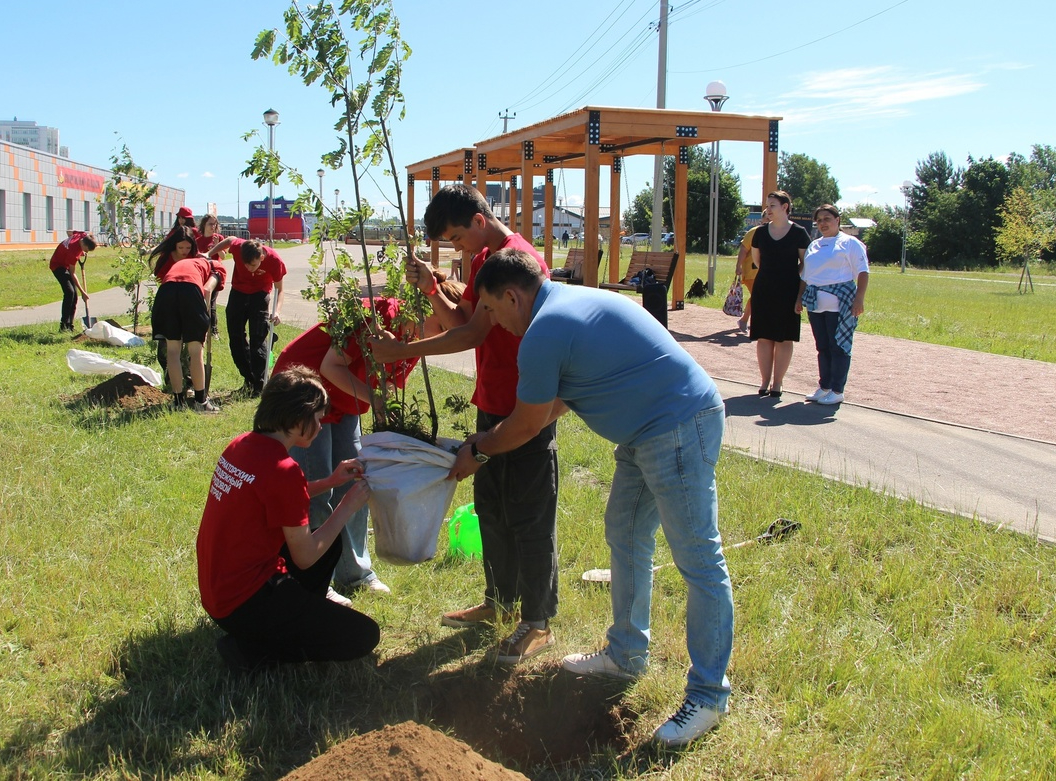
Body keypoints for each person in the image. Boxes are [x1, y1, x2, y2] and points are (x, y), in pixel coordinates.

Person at [449, 247, 732, 747]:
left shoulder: (544, 330)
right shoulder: (567, 303)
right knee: (623, 535)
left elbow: (527, 422)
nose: (491, 322)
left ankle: (708, 695)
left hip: (678, 427)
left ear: (512, 296)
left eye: (491, 310)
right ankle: (626, 655)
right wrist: (491, 442)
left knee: (699, 560)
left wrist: (478, 449)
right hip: (647, 431)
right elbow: (558, 400)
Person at [370, 184, 558, 667]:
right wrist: (432, 290)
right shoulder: (481, 262)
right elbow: (465, 317)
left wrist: (402, 351)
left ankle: (538, 623)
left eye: (457, 237)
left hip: (528, 403)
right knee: (491, 505)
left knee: (530, 513)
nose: (457, 248)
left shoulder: (518, 259)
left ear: (479, 220)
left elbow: (471, 333)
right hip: (493, 399)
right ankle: (498, 602)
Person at [275, 278, 466, 602]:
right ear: (422, 306)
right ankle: (318, 582)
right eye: (441, 326)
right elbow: (330, 366)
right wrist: (374, 400)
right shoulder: (373, 318)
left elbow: (387, 385)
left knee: (357, 483)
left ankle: (356, 573)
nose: (442, 337)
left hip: (343, 401)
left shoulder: (414, 339)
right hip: (304, 397)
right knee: (318, 489)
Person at [196, 366, 379, 669]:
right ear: (298, 420)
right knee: (364, 635)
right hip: (244, 602)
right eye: (318, 419)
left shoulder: (241, 445)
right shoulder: (285, 470)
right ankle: (254, 649)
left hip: (220, 593)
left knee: (328, 541)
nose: (321, 428)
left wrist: (331, 481)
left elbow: (278, 494)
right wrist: (348, 504)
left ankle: (289, 622)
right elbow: (306, 557)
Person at [797, 204, 870, 405]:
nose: (823, 223)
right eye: (819, 220)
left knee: (838, 346)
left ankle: (838, 390)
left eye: (827, 219)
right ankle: (825, 386)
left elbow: (863, 272)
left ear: (837, 220)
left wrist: (859, 299)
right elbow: (806, 275)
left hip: (840, 304)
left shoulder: (850, 243)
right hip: (816, 304)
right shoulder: (814, 245)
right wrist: (799, 298)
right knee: (822, 346)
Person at [149, 226, 225, 413]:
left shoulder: (179, 263)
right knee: (195, 350)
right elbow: (207, 290)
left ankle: (178, 402)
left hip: (166, 293)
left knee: (173, 351)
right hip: (189, 292)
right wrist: (204, 319)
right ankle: (201, 402)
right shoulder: (216, 268)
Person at [207, 234, 287, 397]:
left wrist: (277, 311)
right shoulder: (239, 247)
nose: (250, 269)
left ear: (262, 257)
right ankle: (249, 380)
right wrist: (209, 254)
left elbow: (280, 289)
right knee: (236, 338)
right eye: (246, 265)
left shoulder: (274, 260)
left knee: (257, 340)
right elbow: (229, 240)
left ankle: (260, 384)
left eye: (253, 265)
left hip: (260, 294)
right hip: (238, 292)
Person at [748, 190, 810, 396]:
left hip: (789, 290)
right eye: (767, 205)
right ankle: (764, 381)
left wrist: (791, 276)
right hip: (764, 289)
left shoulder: (799, 233)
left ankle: (778, 382)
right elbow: (757, 260)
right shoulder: (760, 232)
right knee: (764, 337)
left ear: (785, 207)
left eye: (772, 205)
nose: (768, 210)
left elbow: (805, 263)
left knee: (784, 338)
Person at [732, 204, 770, 333]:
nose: (770, 219)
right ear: (763, 219)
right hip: (752, 271)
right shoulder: (755, 231)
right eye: (767, 217)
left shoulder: (777, 233)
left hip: (766, 272)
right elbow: (744, 248)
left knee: (760, 297)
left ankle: (745, 320)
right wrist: (738, 266)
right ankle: (748, 321)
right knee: (758, 296)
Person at [49, 230, 97, 331]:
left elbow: (69, 232)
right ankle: (63, 325)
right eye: (86, 250)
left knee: (74, 296)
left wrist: (81, 251)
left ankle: (69, 325)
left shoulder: (82, 235)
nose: (86, 252)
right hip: (57, 265)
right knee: (70, 292)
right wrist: (83, 292)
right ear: (83, 243)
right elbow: (72, 273)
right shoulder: (73, 253)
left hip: (65, 263)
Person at [196, 214, 224, 338]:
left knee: (211, 302)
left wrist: (218, 247)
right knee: (200, 301)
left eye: (215, 224)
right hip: (202, 273)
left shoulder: (218, 238)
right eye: (210, 224)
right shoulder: (198, 240)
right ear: (204, 225)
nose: (213, 227)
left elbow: (223, 256)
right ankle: (201, 327)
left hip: (215, 273)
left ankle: (213, 330)